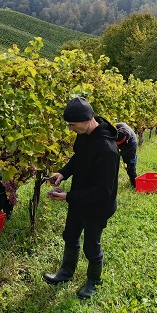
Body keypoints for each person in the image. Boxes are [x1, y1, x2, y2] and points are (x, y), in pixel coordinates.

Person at [43, 97, 120, 300]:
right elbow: (78, 158)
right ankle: (66, 273)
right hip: (78, 199)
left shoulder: (107, 150)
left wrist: (68, 196)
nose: (70, 129)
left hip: (98, 206)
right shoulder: (85, 135)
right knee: (70, 235)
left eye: (72, 125)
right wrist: (63, 173)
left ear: (87, 119)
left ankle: (93, 282)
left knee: (91, 245)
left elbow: (104, 191)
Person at [115, 122, 138, 188]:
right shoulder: (119, 126)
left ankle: (135, 185)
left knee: (130, 167)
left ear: (125, 139)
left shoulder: (131, 145)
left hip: (130, 152)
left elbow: (118, 154)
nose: (117, 143)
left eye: (119, 142)